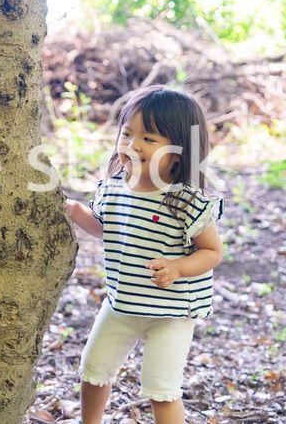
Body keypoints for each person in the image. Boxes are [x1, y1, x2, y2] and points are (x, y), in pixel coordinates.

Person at [66, 85, 224, 424]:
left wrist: (179, 267)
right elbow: (108, 229)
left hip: (171, 313)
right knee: (93, 371)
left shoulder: (186, 201)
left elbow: (212, 252)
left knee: (160, 388)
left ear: (181, 151)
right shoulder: (114, 187)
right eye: (127, 134)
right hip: (121, 303)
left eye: (149, 139)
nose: (132, 145)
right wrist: (77, 212)